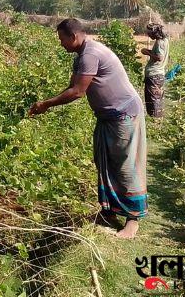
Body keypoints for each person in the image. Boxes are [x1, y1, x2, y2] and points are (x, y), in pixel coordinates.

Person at [28, 19, 147, 239]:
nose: (61, 44)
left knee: (124, 165)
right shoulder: (82, 55)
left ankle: (132, 220)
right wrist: (48, 102)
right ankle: (108, 212)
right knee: (104, 161)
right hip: (108, 117)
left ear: (73, 37)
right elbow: (72, 86)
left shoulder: (90, 54)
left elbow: (78, 92)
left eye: (62, 39)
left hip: (123, 114)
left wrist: (46, 104)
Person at [141, 22, 169, 118]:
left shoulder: (159, 42)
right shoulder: (165, 40)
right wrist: (149, 51)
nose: (148, 35)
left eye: (149, 33)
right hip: (158, 75)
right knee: (157, 99)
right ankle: (157, 121)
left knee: (153, 101)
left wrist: (148, 53)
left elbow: (159, 57)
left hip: (154, 75)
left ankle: (155, 121)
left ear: (154, 33)